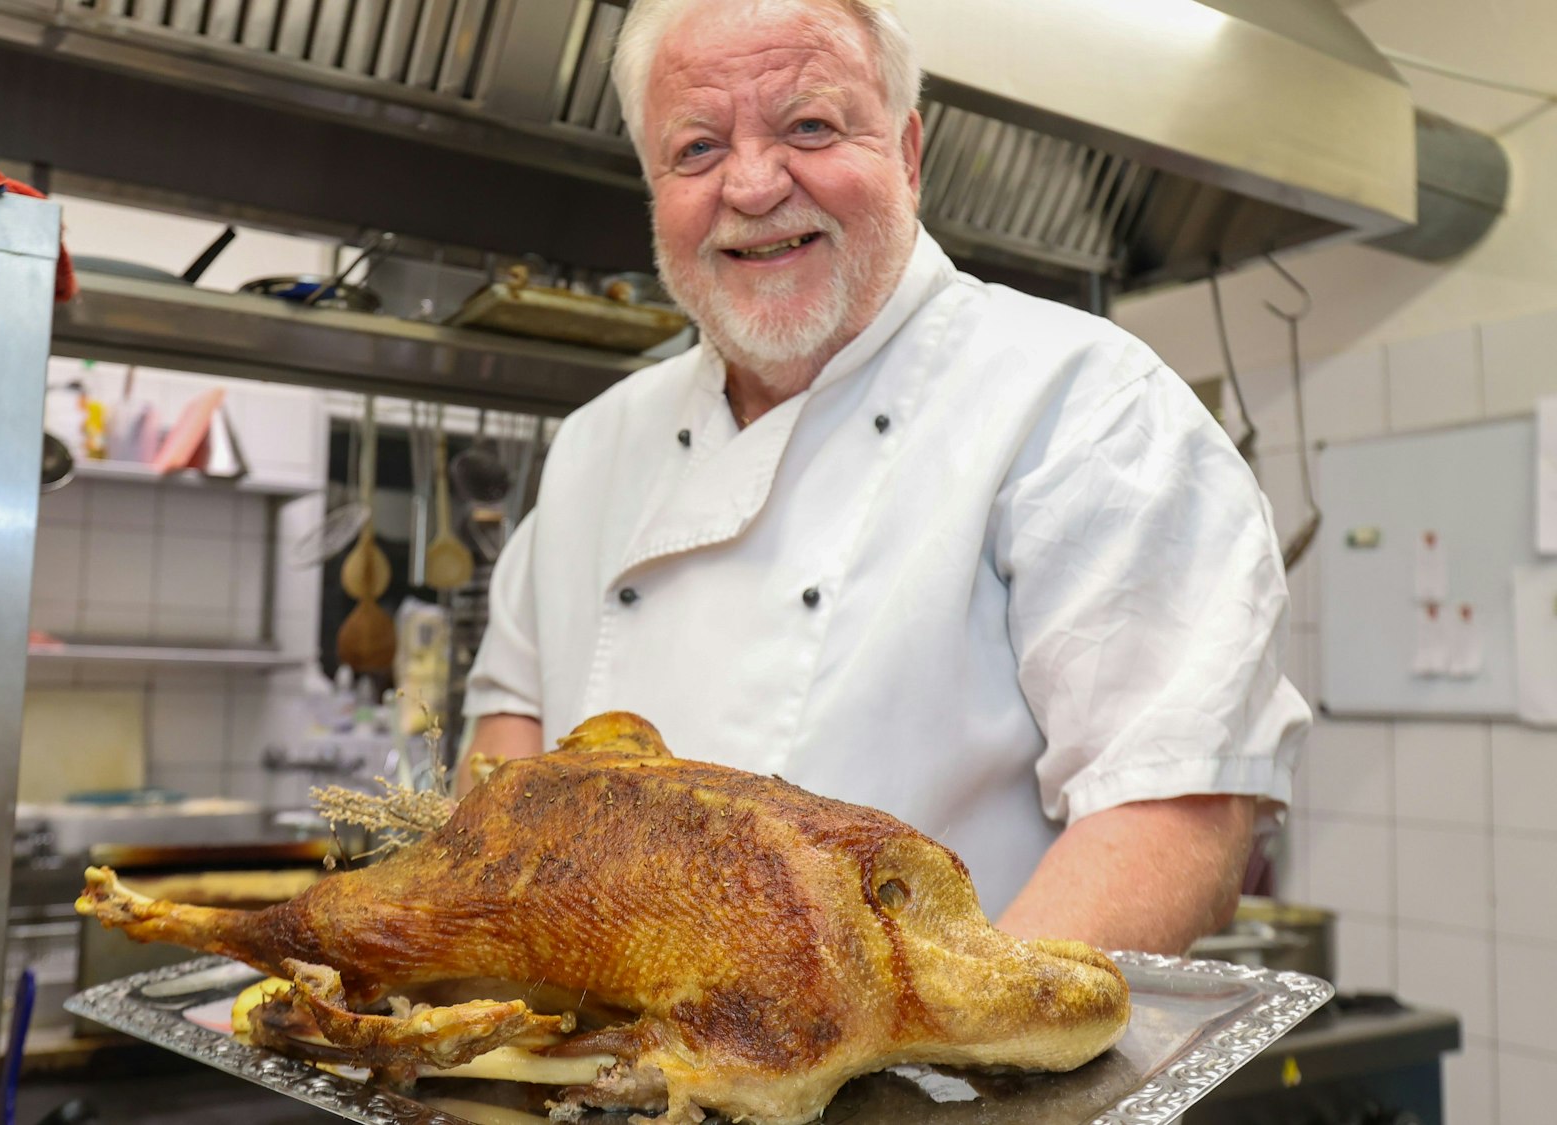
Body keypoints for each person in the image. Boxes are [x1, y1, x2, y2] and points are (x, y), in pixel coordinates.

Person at [460, 0, 1308, 956]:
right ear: (654, 184)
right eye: (696, 149)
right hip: (606, 1086)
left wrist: (945, 1063)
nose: (750, 184)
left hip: (945, 1089)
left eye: (809, 127)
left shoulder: (1083, 403)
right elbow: (509, 740)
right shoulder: (594, 445)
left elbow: (1173, 806)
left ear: (908, 153)